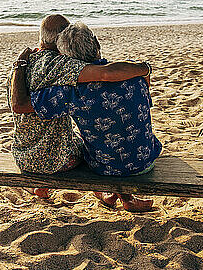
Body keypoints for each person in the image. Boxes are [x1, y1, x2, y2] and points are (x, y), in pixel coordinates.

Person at [9, 16, 154, 211]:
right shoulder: (135, 78)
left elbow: (20, 104)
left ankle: (105, 193)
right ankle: (121, 196)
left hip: (23, 153)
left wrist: (18, 64)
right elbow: (106, 74)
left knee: (95, 143)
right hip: (145, 158)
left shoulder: (67, 91)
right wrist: (145, 68)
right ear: (96, 42)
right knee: (96, 142)